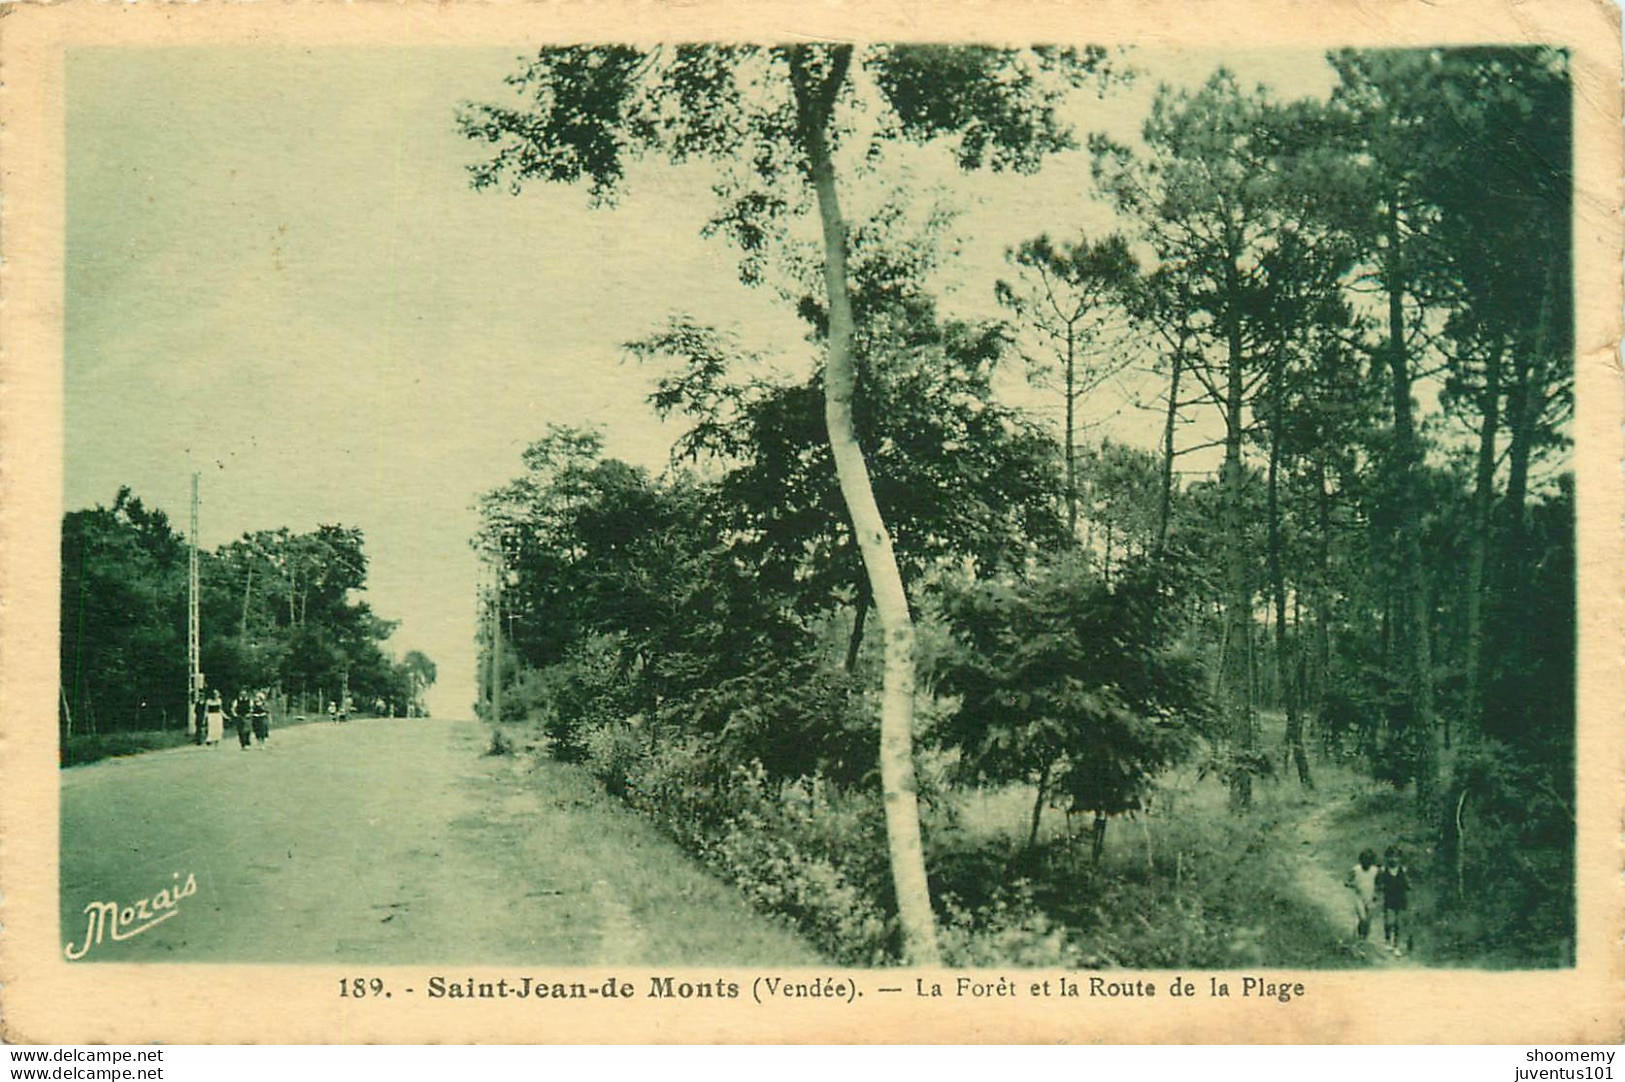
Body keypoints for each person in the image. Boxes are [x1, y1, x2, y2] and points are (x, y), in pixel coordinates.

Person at [1377, 846, 1411, 955]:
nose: (1393, 859)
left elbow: (1408, 883)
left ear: (1400, 858)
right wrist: (1380, 887)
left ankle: (1396, 944)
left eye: (1396, 857)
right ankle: (1387, 940)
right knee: (1389, 921)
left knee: (1398, 923)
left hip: (1401, 898)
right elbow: (1379, 883)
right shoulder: (1383, 870)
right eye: (1391, 857)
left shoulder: (1403, 870)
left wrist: (1408, 884)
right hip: (1389, 898)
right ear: (1387, 858)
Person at [1346, 847, 1380, 941]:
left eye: (1369, 860)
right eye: (1365, 859)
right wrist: (1353, 884)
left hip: (1371, 898)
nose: (1367, 862)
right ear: (1361, 860)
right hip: (1359, 897)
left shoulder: (1375, 870)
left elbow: (1378, 883)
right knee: (1363, 918)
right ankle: (1359, 934)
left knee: (1368, 920)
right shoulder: (1356, 869)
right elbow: (1347, 881)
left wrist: (1377, 892)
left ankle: (1364, 937)